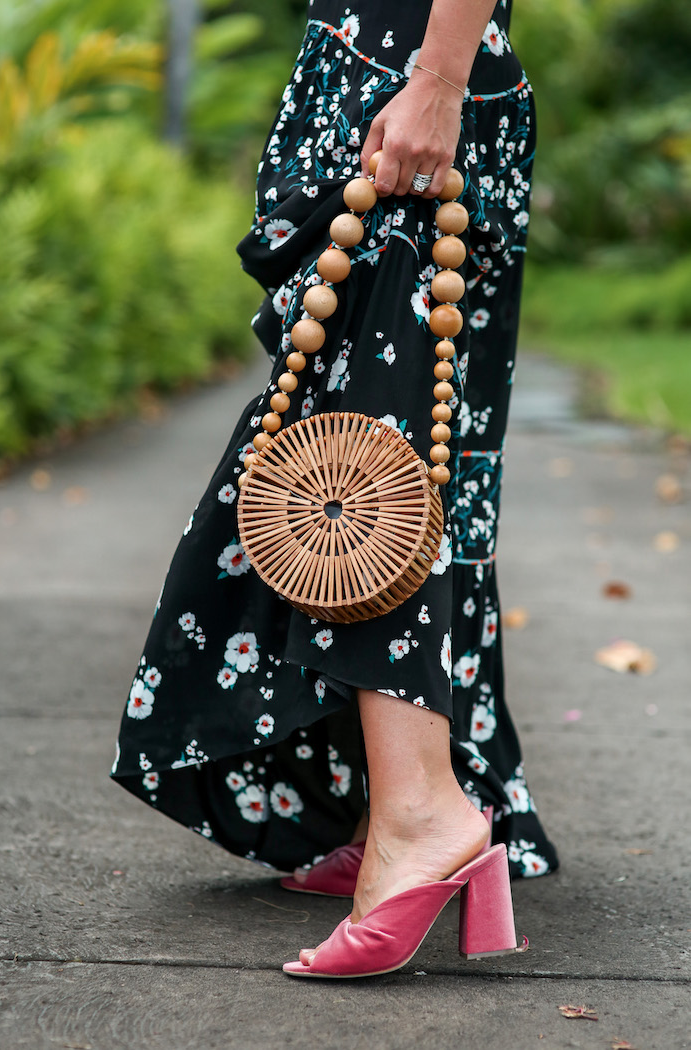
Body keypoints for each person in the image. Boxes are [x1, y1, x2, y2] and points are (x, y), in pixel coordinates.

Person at [111, 0, 559, 978]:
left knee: (369, 464)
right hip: (389, 68)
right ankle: (406, 794)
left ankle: (421, 811)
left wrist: (435, 80)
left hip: (407, 74)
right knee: (408, 448)